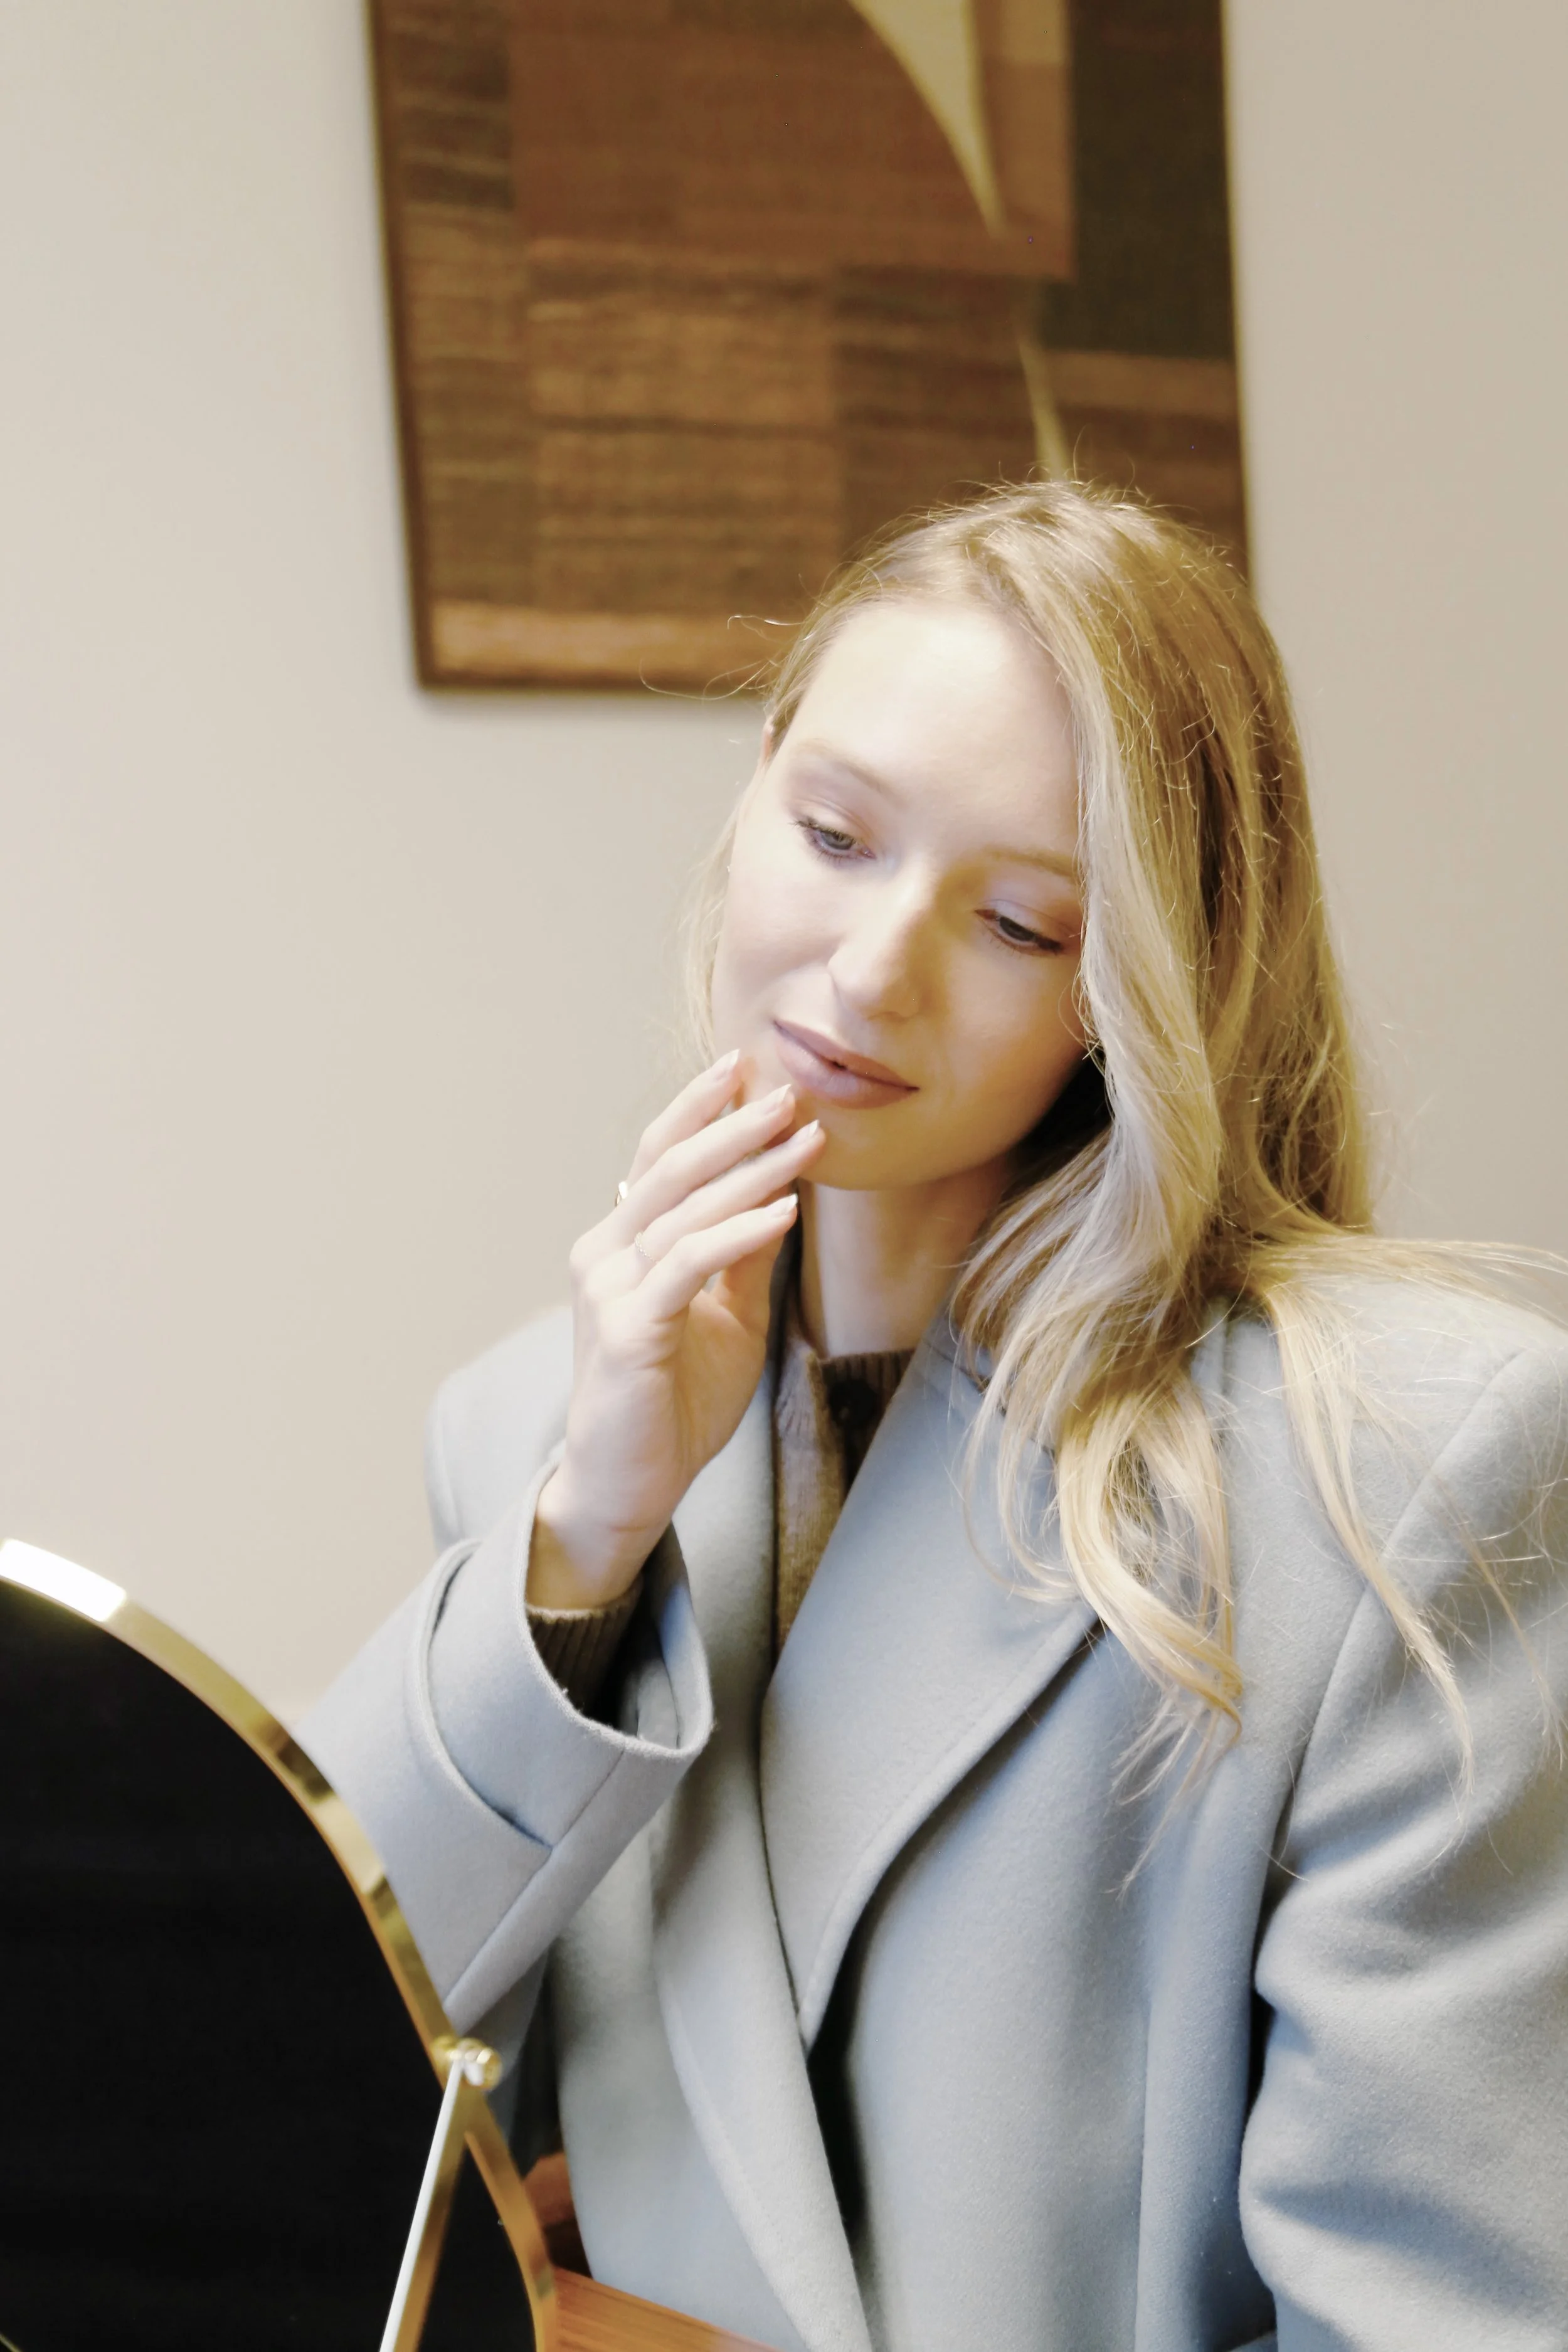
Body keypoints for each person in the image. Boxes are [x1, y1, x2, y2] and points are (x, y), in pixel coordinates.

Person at [302, 480, 1568, 2352]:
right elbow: (263, 2084)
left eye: (1018, 920)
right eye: (830, 832)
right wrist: (586, 1526)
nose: (871, 965)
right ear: (754, 792)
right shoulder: (526, 1435)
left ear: (1146, 980)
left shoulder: (1395, 1459)